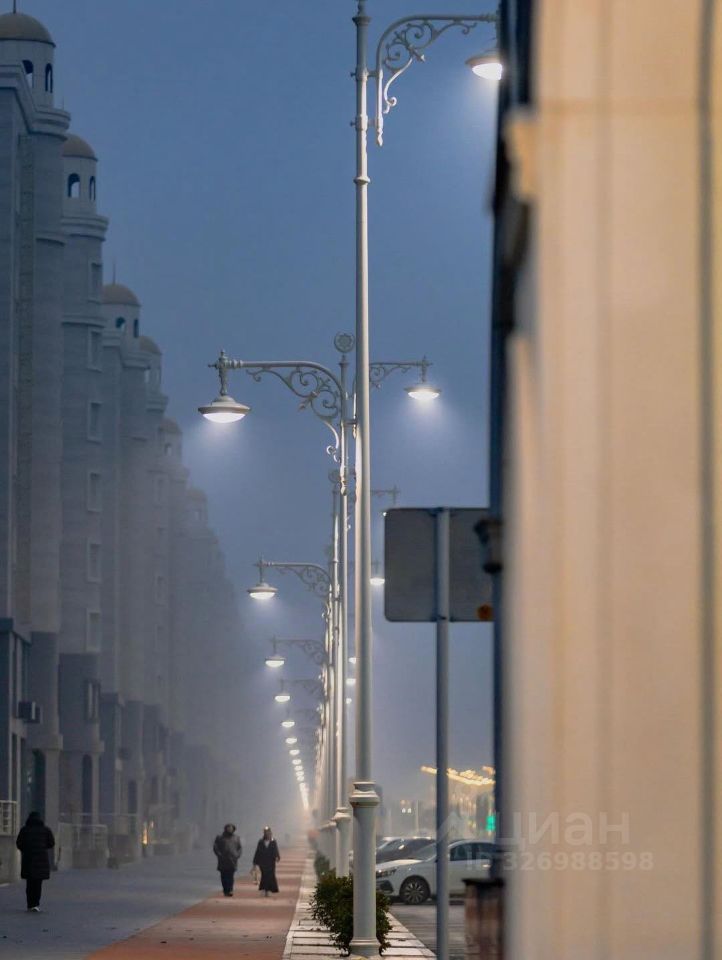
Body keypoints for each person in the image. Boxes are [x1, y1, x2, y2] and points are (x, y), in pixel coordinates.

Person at [16, 811, 55, 912]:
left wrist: (26, 850)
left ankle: (30, 904)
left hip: (28, 860)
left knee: (29, 884)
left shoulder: (24, 830)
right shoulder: (46, 830)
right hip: (41, 861)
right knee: (38, 884)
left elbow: (19, 844)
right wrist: (43, 847)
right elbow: (51, 843)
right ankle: (36, 904)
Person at [213, 823, 242, 897]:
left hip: (232, 860)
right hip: (223, 860)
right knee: (223, 876)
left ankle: (230, 889)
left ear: (233, 829)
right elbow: (216, 847)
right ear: (225, 829)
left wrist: (237, 855)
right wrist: (219, 855)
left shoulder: (236, 838)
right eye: (228, 828)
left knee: (230, 876)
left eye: (231, 828)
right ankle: (225, 890)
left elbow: (239, 848)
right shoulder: (220, 837)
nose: (230, 829)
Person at [253, 826, 280, 896]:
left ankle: (268, 890)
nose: (267, 834)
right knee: (264, 875)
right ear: (264, 833)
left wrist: (277, 857)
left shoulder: (273, 841)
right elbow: (257, 851)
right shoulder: (261, 842)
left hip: (271, 861)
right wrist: (255, 861)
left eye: (268, 832)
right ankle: (265, 889)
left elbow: (276, 850)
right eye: (266, 832)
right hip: (262, 861)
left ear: (270, 833)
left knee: (270, 875)